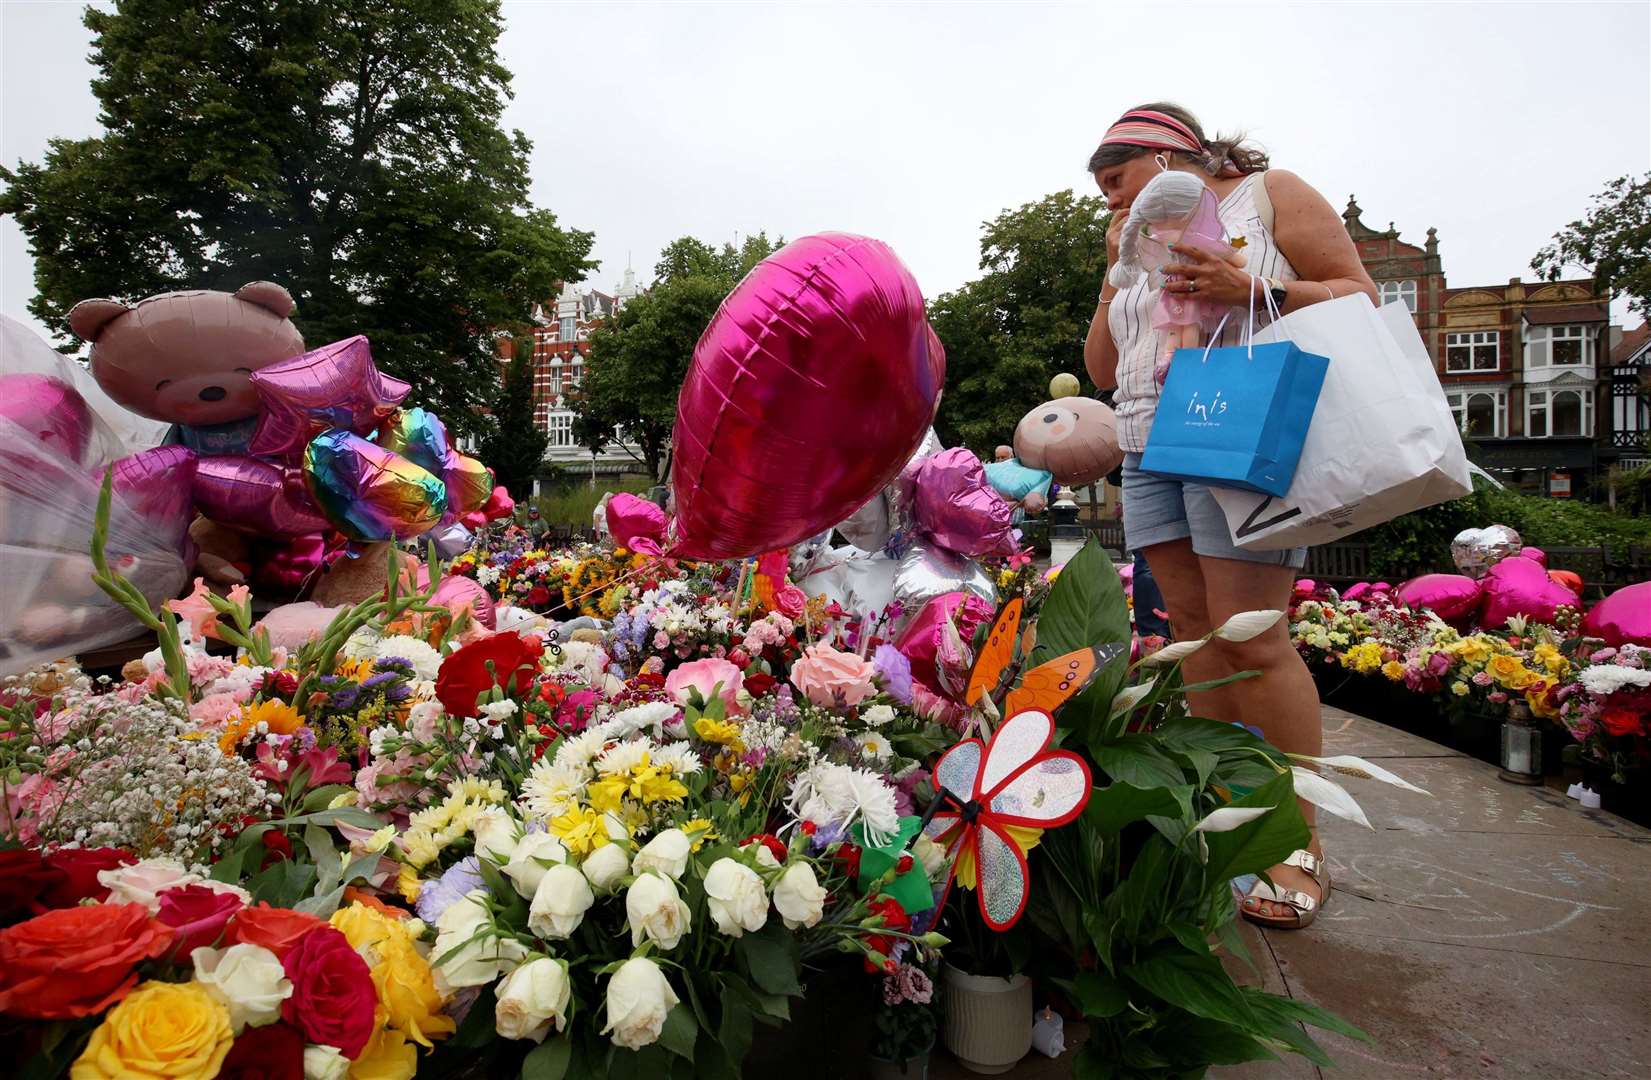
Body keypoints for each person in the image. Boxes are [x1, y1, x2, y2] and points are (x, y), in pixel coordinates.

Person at [1083, 103, 1377, 930]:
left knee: (1252, 634)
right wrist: (1115, 271)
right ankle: (1224, 811)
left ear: (1173, 154)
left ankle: (1296, 838)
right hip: (1145, 440)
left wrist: (1255, 286)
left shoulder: (1268, 194)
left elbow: (1358, 295)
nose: (1110, 206)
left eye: (1118, 185)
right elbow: (1101, 364)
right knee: (1191, 631)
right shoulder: (1129, 242)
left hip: (1235, 423)